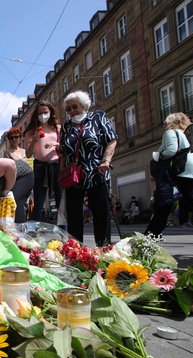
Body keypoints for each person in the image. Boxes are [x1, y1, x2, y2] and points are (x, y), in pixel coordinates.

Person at [144, 112, 193, 242]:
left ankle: (151, 235)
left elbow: (171, 151)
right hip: (188, 170)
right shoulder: (182, 134)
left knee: (164, 202)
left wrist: (158, 155)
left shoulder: (170, 133)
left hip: (181, 172)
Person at [59, 90, 117, 246]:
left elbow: (111, 140)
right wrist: (61, 173)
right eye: (68, 109)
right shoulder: (65, 127)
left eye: (75, 107)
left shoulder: (98, 118)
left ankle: (104, 248)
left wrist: (106, 160)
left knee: (101, 212)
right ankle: (75, 251)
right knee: (74, 215)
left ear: (84, 106)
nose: (72, 111)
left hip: (96, 171)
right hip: (74, 175)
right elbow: (63, 152)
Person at [24, 100, 62, 222]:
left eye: (45, 112)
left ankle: (65, 233)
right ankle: (34, 232)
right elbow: (28, 154)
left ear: (50, 112)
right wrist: (34, 139)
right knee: (38, 202)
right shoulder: (31, 132)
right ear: (36, 115)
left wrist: (55, 144)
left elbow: (64, 148)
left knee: (60, 201)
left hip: (57, 165)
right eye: (40, 113)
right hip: (40, 167)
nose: (43, 116)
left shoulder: (57, 129)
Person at [2, 127, 34, 222]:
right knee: (18, 202)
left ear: (20, 138)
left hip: (28, 179)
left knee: (29, 205)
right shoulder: (7, 152)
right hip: (16, 181)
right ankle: (20, 224)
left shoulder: (24, 151)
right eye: (11, 138)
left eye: (16, 137)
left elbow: (31, 163)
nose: (14, 139)